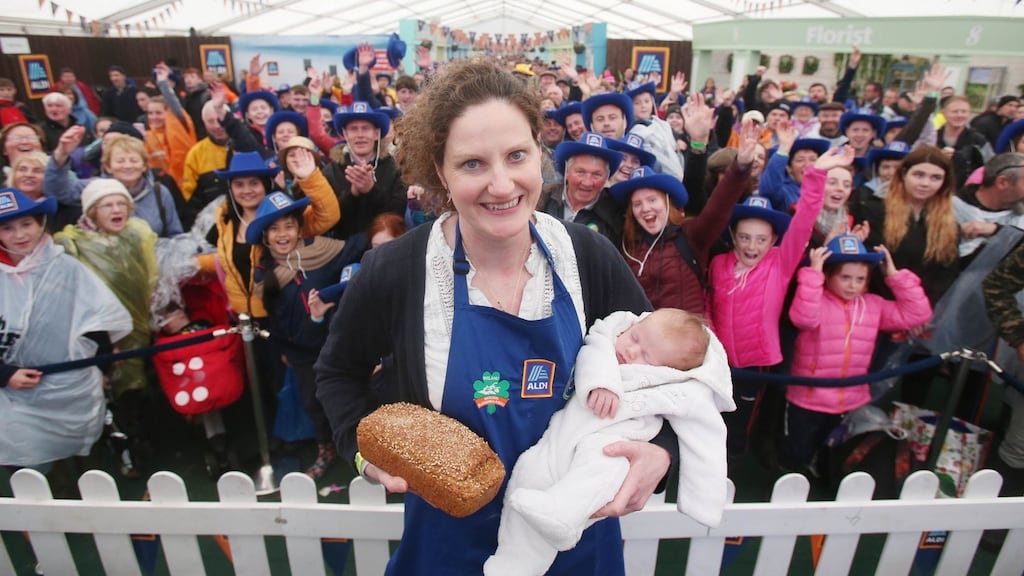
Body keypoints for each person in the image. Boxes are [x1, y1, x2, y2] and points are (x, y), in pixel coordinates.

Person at [315, 60, 666, 575]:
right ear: (440, 171)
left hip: (575, 542)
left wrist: (661, 450)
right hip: (450, 548)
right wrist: (362, 451)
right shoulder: (396, 270)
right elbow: (338, 373)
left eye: (516, 155)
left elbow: (664, 373)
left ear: (538, 154)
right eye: (472, 164)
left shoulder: (587, 257)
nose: (502, 185)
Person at [486, 309, 733, 575]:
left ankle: (564, 514)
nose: (631, 352)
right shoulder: (610, 335)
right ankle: (514, 563)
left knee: (603, 465)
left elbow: (707, 437)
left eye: (647, 357)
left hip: (617, 441)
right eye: (635, 338)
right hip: (561, 438)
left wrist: (704, 502)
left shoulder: (686, 390)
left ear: (670, 372)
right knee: (528, 474)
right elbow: (595, 346)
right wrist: (602, 381)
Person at [708, 145, 852, 454]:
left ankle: (733, 465)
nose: (751, 246)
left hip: (757, 363)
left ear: (774, 241)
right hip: (719, 361)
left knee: (741, 422)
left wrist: (817, 174)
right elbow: (709, 304)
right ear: (733, 236)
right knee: (712, 417)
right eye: (745, 237)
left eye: (761, 239)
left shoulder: (779, 264)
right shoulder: (719, 264)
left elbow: (804, 220)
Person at [0, 186, 132, 469]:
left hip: (69, 382)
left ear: (40, 225)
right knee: (30, 466)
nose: (20, 235)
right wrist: (5, 374)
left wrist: (102, 367)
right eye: (8, 228)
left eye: (26, 224)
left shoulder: (66, 268)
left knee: (82, 459)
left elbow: (94, 319)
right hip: (15, 391)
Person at [778, 237, 932, 472]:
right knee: (797, 451)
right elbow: (804, 318)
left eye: (860, 279)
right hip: (808, 398)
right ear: (828, 276)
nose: (852, 285)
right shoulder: (816, 300)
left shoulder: (874, 305)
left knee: (831, 451)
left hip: (848, 399)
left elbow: (918, 314)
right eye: (845, 277)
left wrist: (894, 275)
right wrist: (813, 274)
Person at [247, 191, 367, 480]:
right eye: (274, 229)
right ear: (265, 236)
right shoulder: (266, 276)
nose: (282, 234)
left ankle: (365, 450)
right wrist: (283, 349)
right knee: (315, 403)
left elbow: (361, 246)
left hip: (338, 344)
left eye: (288, 226)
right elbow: (273, 319)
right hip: (301, 352)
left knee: (354, 397)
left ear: (300, 228)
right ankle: (326, 448)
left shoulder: (323, 252)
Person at [53, 178, 159, 476]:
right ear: (91, 211)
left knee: (136, 385)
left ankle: (141, 441)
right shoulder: (73, 243)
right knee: (112, 391)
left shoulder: (137, 234)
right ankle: (123, 448)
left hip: (137, 325)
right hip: (98, 332)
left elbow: (152, 275)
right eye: (107, 205)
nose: (116, 210)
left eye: (121, 203)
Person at [612, 119, 758, 314]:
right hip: (644, 340)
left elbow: (719, 206)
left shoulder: (690, 235)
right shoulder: (627, 245)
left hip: (686, 338)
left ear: (667, 202)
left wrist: (740, 167)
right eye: (637, 204)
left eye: (652, 200)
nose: (645, 208)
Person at [45, 130, 184, 237]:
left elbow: (175, 233)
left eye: (134, 160)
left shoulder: (159, 192)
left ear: (144, 166)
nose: (128, 166)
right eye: (120, 161)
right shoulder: (94, 188)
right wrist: (61, 154)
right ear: (108, 166)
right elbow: (57, 190)